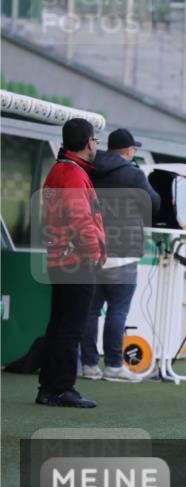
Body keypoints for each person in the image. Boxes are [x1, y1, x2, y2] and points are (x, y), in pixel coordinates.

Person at [80, 128, 160, 382]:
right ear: (128, 151)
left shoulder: (88, 168)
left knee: (91, 311)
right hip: (122, 253)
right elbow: (154, 204)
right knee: (118, 310)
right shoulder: (133, 174)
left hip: (92, 250)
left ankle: (89, 365)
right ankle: (114, 365)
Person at [36, 118, 106, 408]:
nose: (97, 145)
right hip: (76, 260)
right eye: (96, 140)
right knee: (70, 327)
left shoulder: (60, 170)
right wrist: (95, 253)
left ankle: (49, 388)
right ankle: (62, 388)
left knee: (59, 325)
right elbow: (80, 219)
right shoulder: (74, 174)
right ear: (88, 141)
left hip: (61, 259)